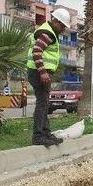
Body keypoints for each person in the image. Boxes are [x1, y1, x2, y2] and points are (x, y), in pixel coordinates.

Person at [27, 8, 70, 146]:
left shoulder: (49, 31)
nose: (63, 29)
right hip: (38, 72)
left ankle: (45, 133)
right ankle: (38, 136)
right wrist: (43, 72)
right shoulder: (47, 33)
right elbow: (37, 51)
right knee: (42, 103)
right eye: (62, 25)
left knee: (44, 103)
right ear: (56, 21)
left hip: (38, 72)